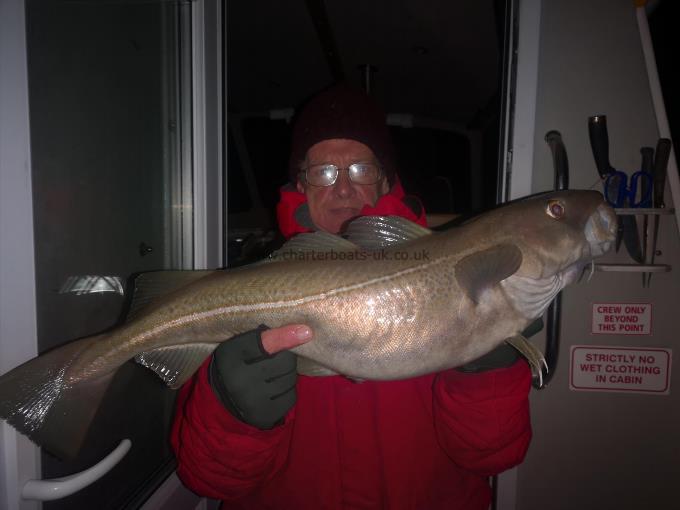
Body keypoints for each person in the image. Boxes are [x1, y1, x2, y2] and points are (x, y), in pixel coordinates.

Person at [171, 83, 533, 509]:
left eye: (360, 169)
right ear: (300, 185)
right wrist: (231, 411)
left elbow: (495, 456)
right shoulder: (250, 292)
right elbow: (205, 478)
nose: (343, 189)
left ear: (386, 179)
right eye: (323, 173)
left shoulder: (458, 278)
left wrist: (485, 374)